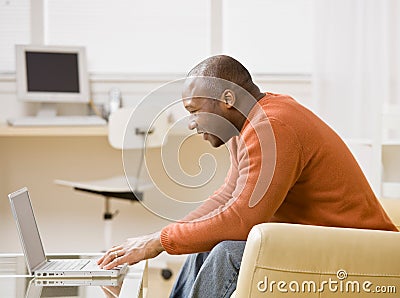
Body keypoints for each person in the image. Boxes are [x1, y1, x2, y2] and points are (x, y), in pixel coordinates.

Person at [97, 55, 397, 297]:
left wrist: (157, 243)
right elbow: (226, 199)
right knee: (206, 248)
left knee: (228, 253)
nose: (191, 124)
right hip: (327, 243)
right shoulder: (249, 124)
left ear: (227, 99)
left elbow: (243, 220)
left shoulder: (274, 125)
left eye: (194, 111)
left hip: (366, 255)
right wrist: (160, 236)